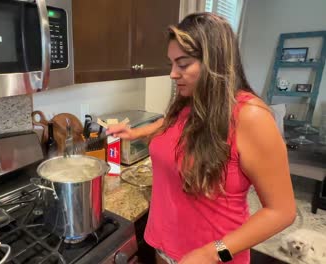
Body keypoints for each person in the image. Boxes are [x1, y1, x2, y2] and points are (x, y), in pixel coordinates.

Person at [107, 13, 296, 264]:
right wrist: (137, 132)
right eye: (171, 64)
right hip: (164, 247)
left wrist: (211, 252)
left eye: (183, 64)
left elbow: (282, 212)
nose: (173, 74)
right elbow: (171, 123)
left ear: (214, 62)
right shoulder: (191, 101)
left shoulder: (251, 116)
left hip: (213, 257)